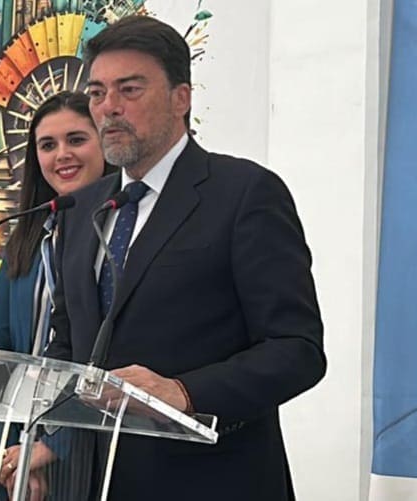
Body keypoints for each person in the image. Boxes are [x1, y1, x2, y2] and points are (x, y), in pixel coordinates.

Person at [46, 16, 327, 501]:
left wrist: (184, 392)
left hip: (211, 482)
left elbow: (296, 350)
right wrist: (46, 429)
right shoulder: (83, 208)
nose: (109, 107)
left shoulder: (244, 194)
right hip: (94, 484)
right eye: (96, 93)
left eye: (129, 89)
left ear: (181, 98)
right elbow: (69, 340)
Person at [0, 91, 111, 501]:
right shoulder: (29, 236)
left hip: (94, 461)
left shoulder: (124, 238)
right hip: (17, 466)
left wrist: (52, 448)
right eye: (47, 145)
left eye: (76, 139)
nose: (62, 154)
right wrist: (5, 455)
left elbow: (118, 361)